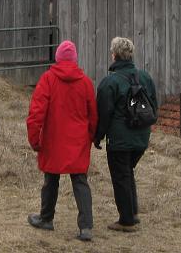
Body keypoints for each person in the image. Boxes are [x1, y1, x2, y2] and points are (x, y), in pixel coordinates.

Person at [26, 40, 97, 242]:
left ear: (57, 58)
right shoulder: (85, 82)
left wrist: (34, 138)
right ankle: (86, 227)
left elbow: (36, 112)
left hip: (53, 138)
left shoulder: (48, 79)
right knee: (80, 181)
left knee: (51, 180)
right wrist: (91, 136)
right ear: (75, 59)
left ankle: (46, 218)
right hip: (78, 140)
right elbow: (93, 115)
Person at [94, 37, 158, 232]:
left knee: (120, 176)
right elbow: (154, 105)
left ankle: (126, 221)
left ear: (114, 55)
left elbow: (103, 114)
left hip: (120, 140)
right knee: (127, 172)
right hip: (141, 137)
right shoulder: (145, 77)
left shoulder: (109, 82)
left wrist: (97, 137)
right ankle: (133, 213)